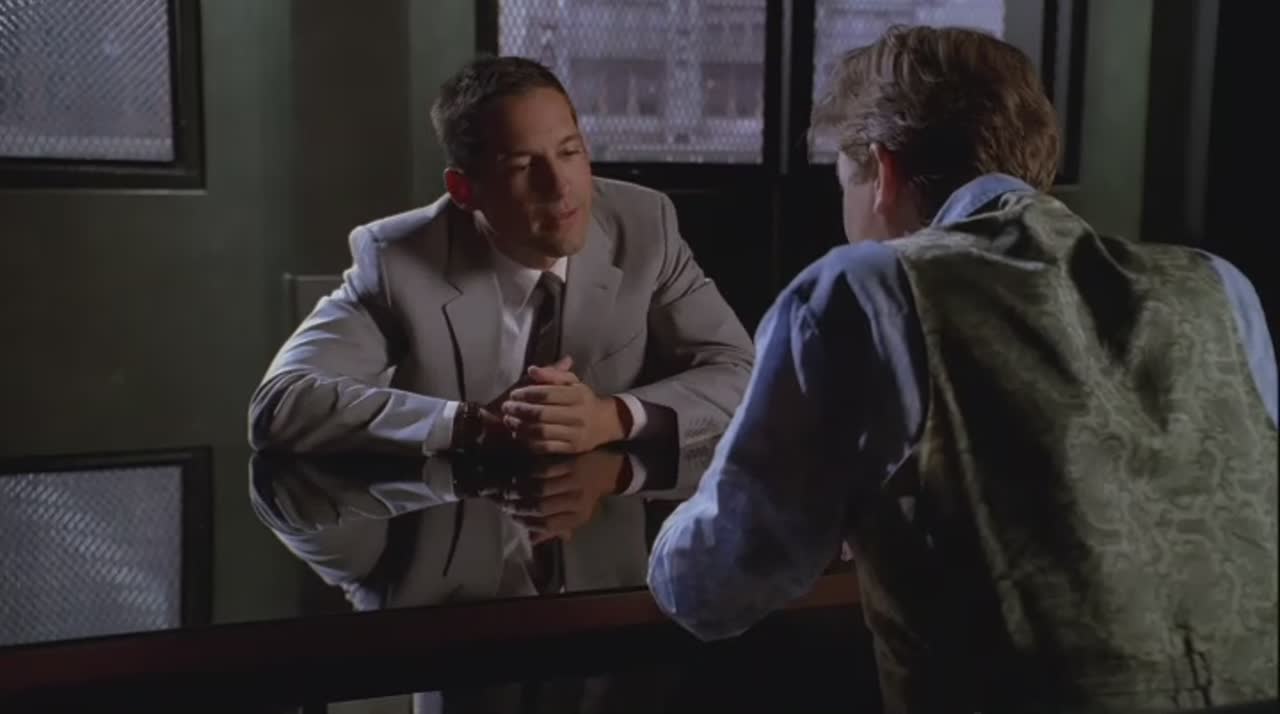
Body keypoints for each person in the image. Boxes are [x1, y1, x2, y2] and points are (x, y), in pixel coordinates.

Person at [648, 25, 1278, 713]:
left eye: (843, 184)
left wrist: (670, 533)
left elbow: (712, 587)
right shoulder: (1217, 285)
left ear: (882, 170)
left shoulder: (870, 290)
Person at [248, 56, 753, 458]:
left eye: (570, 152)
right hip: (455, 537)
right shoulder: (399, 258)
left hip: (602, 531)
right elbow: (281, 404)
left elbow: (740, 371)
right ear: (463, 190)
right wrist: (470, 424)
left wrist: (612, 417)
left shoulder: (643, 226)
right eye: (522, 165)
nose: (560, 186)